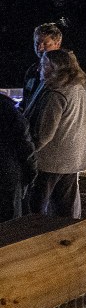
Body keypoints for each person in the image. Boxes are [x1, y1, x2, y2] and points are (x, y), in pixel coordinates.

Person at [23, 48, 86, 219]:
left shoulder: (55, 93)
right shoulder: (76, 88)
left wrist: (25, 151)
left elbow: (44, 134)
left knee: (35, 211)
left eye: (44, 65)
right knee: (65, 211)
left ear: (54, 67)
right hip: (71, 160)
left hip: (49, 162)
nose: (40, 69)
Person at [0, 92, 36, 222]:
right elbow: (24, 143)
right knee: (10, 227)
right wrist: (31, 172)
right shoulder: (6, 107)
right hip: (6, 175)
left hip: (6, 174)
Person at [21, 22, 63, 113]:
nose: (40, 48)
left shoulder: (62, 72)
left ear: (57, 44)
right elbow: (25, 101)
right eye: (37, 43)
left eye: (46, 44)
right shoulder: (32, 70)